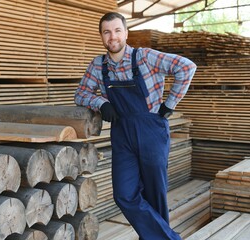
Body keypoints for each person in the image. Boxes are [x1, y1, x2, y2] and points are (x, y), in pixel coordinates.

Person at [74, 12, 197, 240]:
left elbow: (186, 67)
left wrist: (169, 105)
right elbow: (81, 93)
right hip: (122, 134)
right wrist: (101, 103)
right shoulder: (99, 66)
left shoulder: (145, 57)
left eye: (117, 30)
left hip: (151, 130)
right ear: (101, 36)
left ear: (126, 33)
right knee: (124, 194)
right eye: (107, 32)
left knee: (154, 194)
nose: (113, 37)